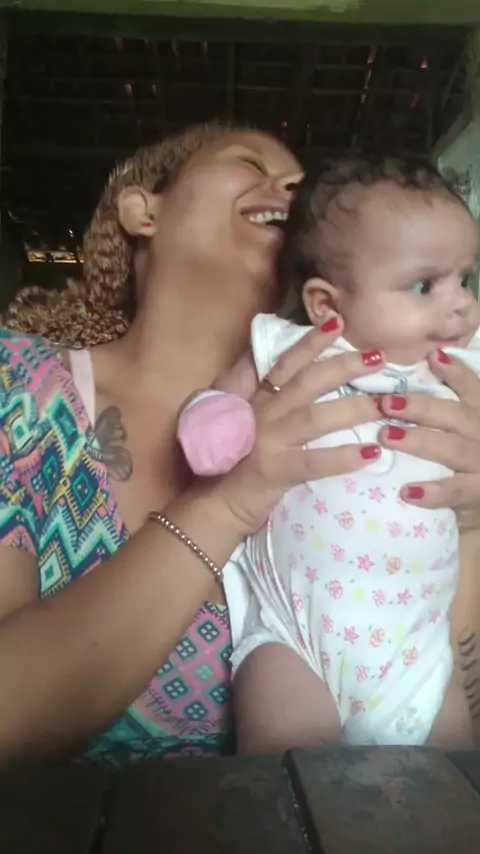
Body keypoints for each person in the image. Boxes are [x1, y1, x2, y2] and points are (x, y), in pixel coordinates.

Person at [0, 125, 480, 766]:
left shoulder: (410, 398)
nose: (293, 184)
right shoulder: (17, 382)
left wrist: (467, 523)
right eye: (250, 163)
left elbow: (441, 730)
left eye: (302, 182)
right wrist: (226, 503)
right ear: (144, 210)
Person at [177, 155, 480, 752]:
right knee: (286, 767)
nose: (460, 305)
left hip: (420, 650)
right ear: (326, 306)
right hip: (295, 638)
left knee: (448, 787)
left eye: (465, 279)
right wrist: (217, 425)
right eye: (425, 285)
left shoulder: (465, 366)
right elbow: (220, 398)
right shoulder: (291, 349)